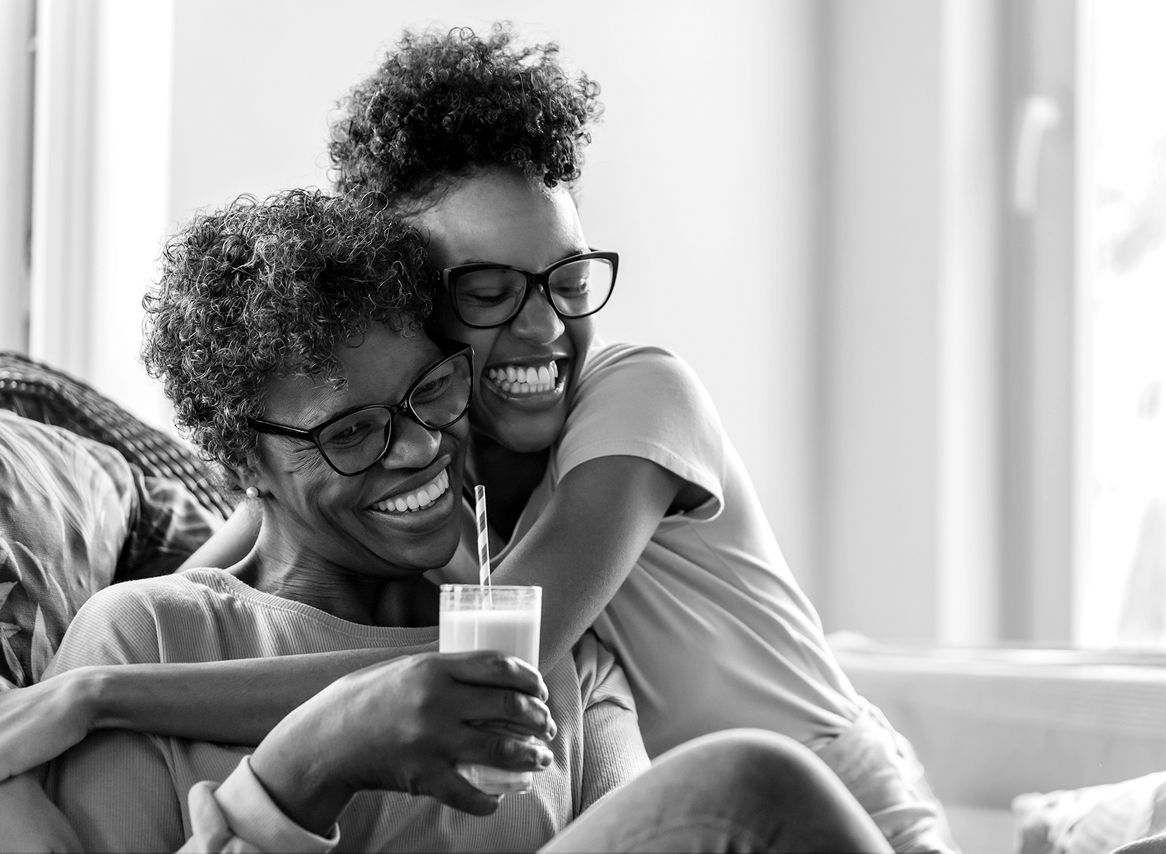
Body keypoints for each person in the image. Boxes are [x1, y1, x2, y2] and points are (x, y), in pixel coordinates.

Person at [0, 23, 947, 854]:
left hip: (849, 796)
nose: (540, 329)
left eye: (567, 279)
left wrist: (104, 696)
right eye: (489, 293)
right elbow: (214, 568)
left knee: (755, 782)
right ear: (416, 297)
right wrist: (81, 695)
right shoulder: (381, 507)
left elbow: (512, 661)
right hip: (727, 795)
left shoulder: (627, 403)